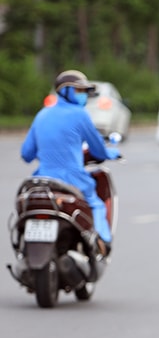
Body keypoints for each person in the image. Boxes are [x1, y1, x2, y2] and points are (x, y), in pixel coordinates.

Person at [21, 70, 120, 255]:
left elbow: (26, 154)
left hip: (41, 182)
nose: (83, 95)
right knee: (96, 204)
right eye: (79, 90)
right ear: (65, 91)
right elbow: (98, 150)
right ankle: (102, 243)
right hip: (73, 181)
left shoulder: (42, 115)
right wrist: (111, 153)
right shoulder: (80, 115)